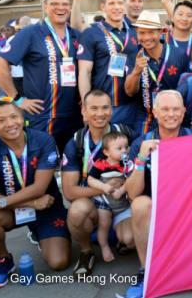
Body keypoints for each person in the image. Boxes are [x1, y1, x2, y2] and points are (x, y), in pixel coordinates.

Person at [0, 98, 70, 288]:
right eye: (1, 120)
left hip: (48, 206)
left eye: (13, 117)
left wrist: (0, 202)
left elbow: (39, 189)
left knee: (58, 263)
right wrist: (30, 204)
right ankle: (3, 260)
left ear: (22, 118)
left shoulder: (43, 140)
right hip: (17, 209)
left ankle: (40, 233)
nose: (10, 124)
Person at [123, 90, 192, 298]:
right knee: (140, 204)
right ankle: (146, 271)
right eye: (165, 109)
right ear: (154, 112)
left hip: (187, 208)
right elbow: (132, 193)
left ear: (183, 112)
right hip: (155, 210)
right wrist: (142, 158)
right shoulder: (141, 143)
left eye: (175, 109)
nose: (170, 114)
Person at [0, 0, 83, 151]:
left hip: (74, 116)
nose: (60, 8)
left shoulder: (75, 35)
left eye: (64, 4)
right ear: (45, 7)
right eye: (54, 4)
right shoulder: (31, 33)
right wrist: (18, 99)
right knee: (44, 168)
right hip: (43, 116)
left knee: (71, 167)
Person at [61, 89, 134, 277]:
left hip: (122, 202)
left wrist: (126, 186)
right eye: (93, 108)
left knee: (132, 239)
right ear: (84, 111)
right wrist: (106, 188)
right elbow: (69, 192)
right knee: (77, 211)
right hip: (96, 203)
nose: (100, 113)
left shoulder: (125, 134)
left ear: (111, 110)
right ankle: (87, 252)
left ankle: (120, 238)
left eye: (105, 108)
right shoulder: (76, 142)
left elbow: (141, 167)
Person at [78, 0, 141, 131]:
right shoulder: (91, 32)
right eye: (111, 3)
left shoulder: (134, 31)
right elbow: (84, 72)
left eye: (120, 3)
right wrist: (85, 106)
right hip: (104, 108)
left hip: (133, 106)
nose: (117, 7)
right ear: (103, 7)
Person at [124, 11, 190, 135]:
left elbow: (188, 90)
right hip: (146, 119)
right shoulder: (133, 56)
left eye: (151, 32)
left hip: (172, 117)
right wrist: (137, 72)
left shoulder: (179, 54)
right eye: (142, 33)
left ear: (161, 32)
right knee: (144, 152)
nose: (147, 37)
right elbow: (129, 92)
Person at [87, 131, 131, 263]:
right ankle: (104, 247)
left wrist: (122, 190)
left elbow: (131, 179)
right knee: (104, 224)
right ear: (106, 152)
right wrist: (103, 187)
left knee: (128, 231)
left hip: (121, 202)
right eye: (119, 148)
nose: (124, 151)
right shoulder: (101, 164)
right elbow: (90, 180)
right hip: (104, 201)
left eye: (126, 147)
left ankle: (121, 240)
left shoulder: (126, 164)